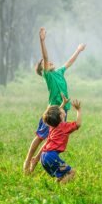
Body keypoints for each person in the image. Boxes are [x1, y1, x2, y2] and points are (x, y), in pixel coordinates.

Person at [23, 27, 86, 174]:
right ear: (43, 69)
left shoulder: (59, 72)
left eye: (49, 62)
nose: (50, 62)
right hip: (52, 112)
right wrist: (42, 41)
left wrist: (78, 50)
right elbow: (45, 57)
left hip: (63, 110)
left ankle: (36, 159)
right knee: (40, 137)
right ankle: (28, 160)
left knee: (53, 136)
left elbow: (69, 62)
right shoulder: (48, 76)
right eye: (46, 64)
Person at [40, 94, 82, 184]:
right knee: (71, 172)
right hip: (51, 157)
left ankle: (56, 188)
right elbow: (78, 124)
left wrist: (63, 103)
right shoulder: (64, 126)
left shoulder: (52, 125)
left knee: (62, 174)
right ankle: (61, 190)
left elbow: (54, 114)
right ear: (60, 116)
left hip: (44, 157)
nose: (62, 109)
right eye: (61, 110)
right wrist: (78, 110)